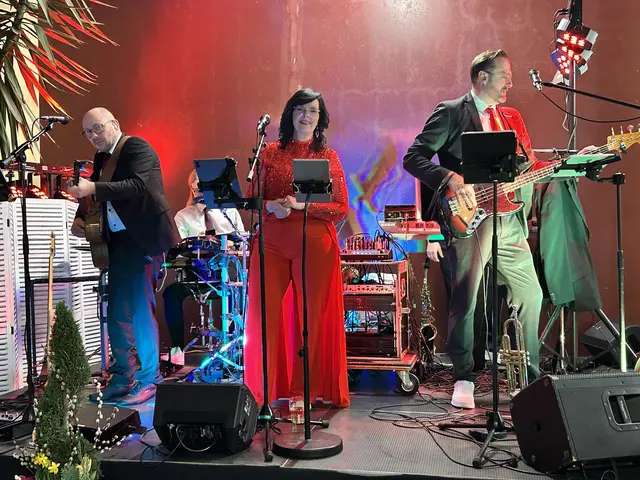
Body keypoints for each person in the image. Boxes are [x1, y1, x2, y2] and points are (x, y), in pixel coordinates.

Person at [403, 50, 544, 409]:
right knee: (465, 301)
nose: (510, 83)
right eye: (504, 76)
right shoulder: (451, 112)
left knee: (531, 294)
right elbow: (413, 157)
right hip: (470, 218)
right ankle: (463, 377)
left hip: (509, 220)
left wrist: (570, 161)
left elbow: (529, 164)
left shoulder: (512, 117)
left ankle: (529, 378)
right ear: (482, 77)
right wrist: (449, 177)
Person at [244, 88, 350, 407]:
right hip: (272, 240)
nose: (306, 115)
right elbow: (250, 199)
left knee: (310, 320)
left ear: (321, 118)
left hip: (314, 242)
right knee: (262, 317)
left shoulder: (327, 155)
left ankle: (304, 391)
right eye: (301, 109)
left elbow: (341, 207)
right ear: (290, 114)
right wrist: (270, 205)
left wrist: (305, 206)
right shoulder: (269, 152)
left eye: (313, 111)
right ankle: (259, 392)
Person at [68, 107, 180, 406]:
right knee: (117, 311)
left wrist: (92, 187)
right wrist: (81, 218)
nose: (93, 135)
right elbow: (93, 195)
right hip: (117, 242)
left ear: (114, 124)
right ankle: (122, 379)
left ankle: (150, 379)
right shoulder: (101, 158)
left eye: (98, 128)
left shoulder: (137, 147)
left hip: (142, 239)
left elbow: (137, 187)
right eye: (88, 132)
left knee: (140, 310)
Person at [162, 169, 246, 366]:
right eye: (197, 184)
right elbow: (178, 248)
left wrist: (229, 243)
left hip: (225, 275)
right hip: (196, 277)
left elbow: (243, 242)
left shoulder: (229, 212)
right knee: (170, 294)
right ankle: (177, 349)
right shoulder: (183, 216)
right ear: (191, 188)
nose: (201, 188)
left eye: (205, 184)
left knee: (239, 291)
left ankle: (234, 347)